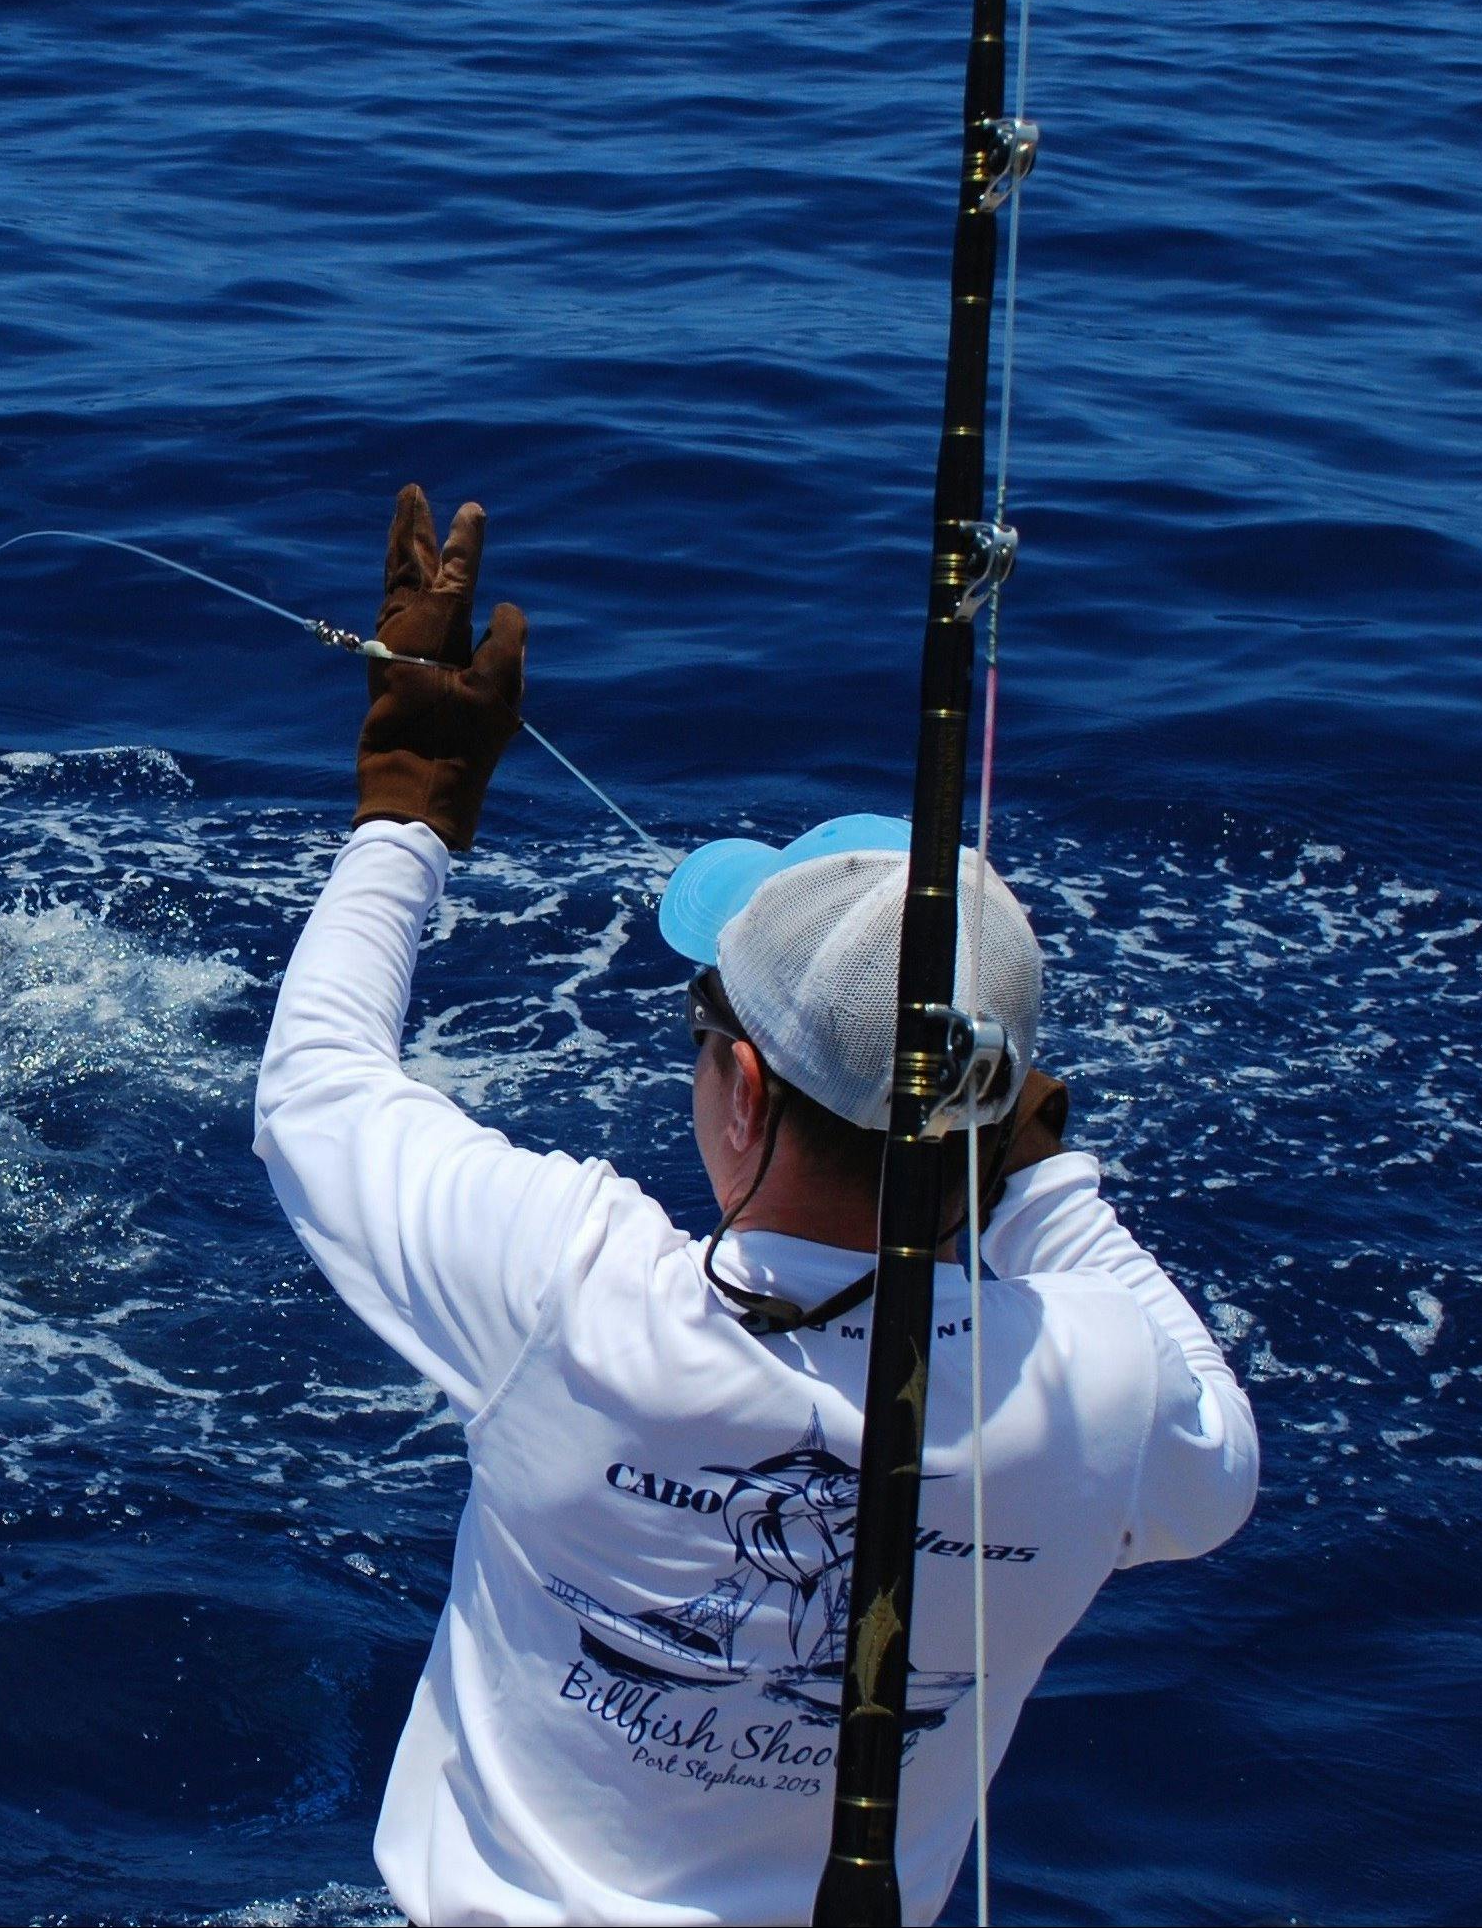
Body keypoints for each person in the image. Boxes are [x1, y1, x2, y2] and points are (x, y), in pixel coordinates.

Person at [254, 486, 1258, 1927]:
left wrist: (406, 800)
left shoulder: (573, 1288)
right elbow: (1212, 1465)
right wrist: (1036, 1179)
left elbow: (318, 1088)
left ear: (742, 1086)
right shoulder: (1102, 1389)